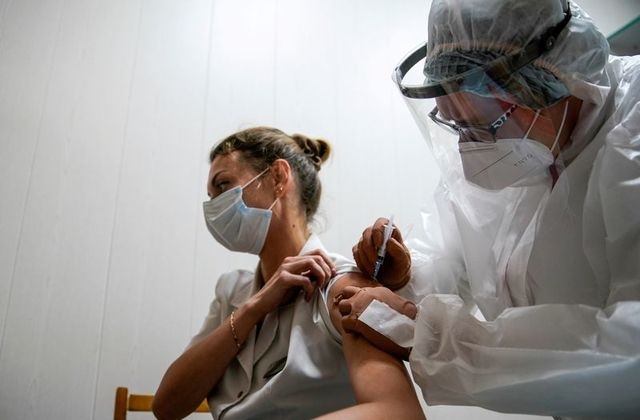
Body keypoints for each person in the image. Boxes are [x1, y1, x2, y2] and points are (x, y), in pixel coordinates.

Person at [339, 0, 640, 418]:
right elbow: (453, 258)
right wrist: (407, 276)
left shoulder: (632, 128)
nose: (470, 148)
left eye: (481, 125)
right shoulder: (520, 150)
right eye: (455, 125)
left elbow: (631, 350)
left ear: (547, 78)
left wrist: (432, 339)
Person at [152, 127, 424, 420]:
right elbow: (167, 408)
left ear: (279, 177)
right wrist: (253, 308)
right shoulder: (232, 292)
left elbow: (400, 414)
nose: (213, 206)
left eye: (223, 185)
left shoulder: (337, 283)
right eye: (210, 195)